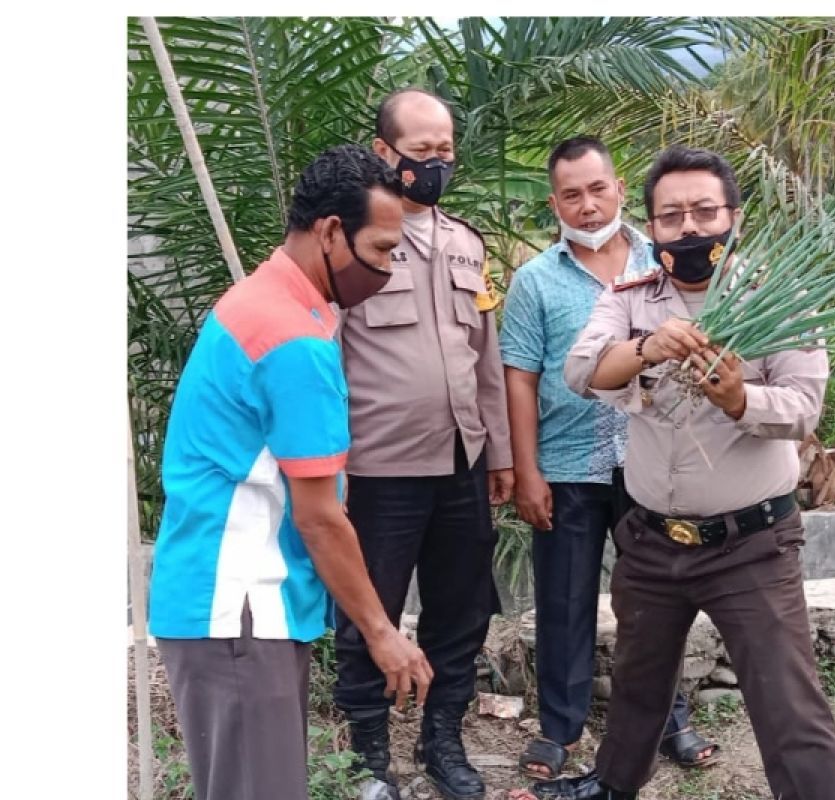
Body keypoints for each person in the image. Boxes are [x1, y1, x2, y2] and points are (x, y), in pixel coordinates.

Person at [529, 145, 835, 800]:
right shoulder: (632, 298)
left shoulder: (780, 299)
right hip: (650, 540)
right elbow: (581, 370)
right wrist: (647, 346)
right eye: (671, 215)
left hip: (750, 546)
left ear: (732, 216)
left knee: (787, 705)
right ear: (650, 227)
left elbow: (801, 409)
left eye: (704, 211)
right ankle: (611, 786)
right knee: (638, 685)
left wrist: (738, 398)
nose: (689, 228)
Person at [148, 144, 434, 800]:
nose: (388, 269)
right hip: (242, 607)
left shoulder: (269, 301)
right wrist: (384, 634)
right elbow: (319, 515)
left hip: (233, 609)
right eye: (384, 250)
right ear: (332, 231)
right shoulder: (293, 338)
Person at [500, 137, 718, 782]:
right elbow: (518, 377)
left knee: (658, 602)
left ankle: (671, 718)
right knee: (564, 601)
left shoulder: (668, 262)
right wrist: (527, 470)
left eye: (598, 189)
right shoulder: (536, 280)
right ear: (555, 202)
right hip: (567, 467)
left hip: (655, 464)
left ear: (621, 189)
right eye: (572, 194)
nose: (588, 205)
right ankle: (559, 731)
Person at [334, 87, 514, 800]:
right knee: (368, 610)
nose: (436, 164)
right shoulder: (353, 238)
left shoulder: (468, 244)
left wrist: (498, 452)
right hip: (378, 467)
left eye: (445, 150)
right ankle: (370, 754)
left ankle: (444, 740)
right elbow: (328, 351)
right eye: (421, 152)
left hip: (462, 463)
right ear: (385, 153)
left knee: (461, 612)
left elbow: (487, 357)